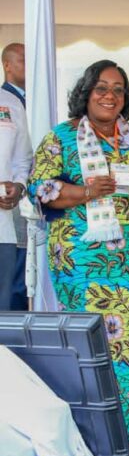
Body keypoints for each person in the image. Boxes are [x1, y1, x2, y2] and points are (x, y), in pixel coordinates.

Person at [28, 60, 129, 445]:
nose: (110, 96)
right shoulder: (61, 137)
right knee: (87, 338)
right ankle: (87, 426)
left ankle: (124, 428)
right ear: (87, 93)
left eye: (118, 90)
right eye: (102, 88)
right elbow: (39, 189)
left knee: (123, 339)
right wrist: (86, 192)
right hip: (79, 257)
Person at [0, 76, 31, 310]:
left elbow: (23, 158)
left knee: (3, 310)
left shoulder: (10, 102)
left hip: (3, 230)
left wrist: (19, 186)